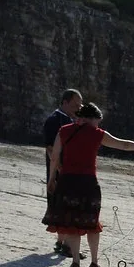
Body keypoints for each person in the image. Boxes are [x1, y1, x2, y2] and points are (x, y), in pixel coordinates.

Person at [43, 102, 134, 267]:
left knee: (72, 222)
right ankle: (94, 262)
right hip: (88, 183)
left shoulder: (64, 131)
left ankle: (75, 261)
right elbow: (124, 145)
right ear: (91, 119)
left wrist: (52, 179)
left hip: (67, 182)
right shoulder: (97, 134)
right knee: (92, 223)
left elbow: (54, 157)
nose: (98, 125)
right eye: (97, 121)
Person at [43, 88, 83, 254]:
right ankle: (66, 245)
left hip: (69, 170)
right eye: (75, 105)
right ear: (65, 102)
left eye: (79, 105)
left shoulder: (71, 120)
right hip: (61, 171)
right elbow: (50, 149)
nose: (78, 108)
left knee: (63, 206)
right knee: (65, 207)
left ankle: (61, 242)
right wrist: (60, 169)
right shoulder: (54, 120)